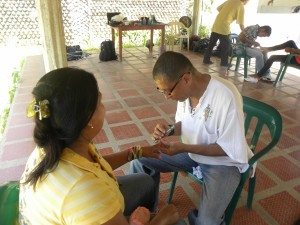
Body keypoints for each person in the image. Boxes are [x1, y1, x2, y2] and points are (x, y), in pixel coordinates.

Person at [19, 67, 187, 225]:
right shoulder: (84, 191)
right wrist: (161, 220)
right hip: (88, 202)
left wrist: (138, 152)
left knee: (145, 182)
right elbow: (87, 190)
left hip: (86, 205)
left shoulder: (55, 144)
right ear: (88, 120)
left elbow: (95, 166)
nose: (104, 107)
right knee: (176, 221)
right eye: (100, 102)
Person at [129, 51, 253, 225]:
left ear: (186, 79)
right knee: (140, 160)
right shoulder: (184, 92)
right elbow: (186, 123)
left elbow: (228, 148)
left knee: (208, 222)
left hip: (224, 162)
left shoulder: (225, 96)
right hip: (190, 151)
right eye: (161, 91)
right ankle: (146, 215)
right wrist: (170, 130)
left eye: (168, 91)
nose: (166, 97)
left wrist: (185, 148)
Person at [203, 0, 249, 67]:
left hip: (216, 24)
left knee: (211, 44)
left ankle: (206, 60)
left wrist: (228, 14)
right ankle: (224, 63)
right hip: (224, 26)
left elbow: (219, 9)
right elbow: (241, 23)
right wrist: (245, 32)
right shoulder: (241, 5)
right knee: (226, 46)